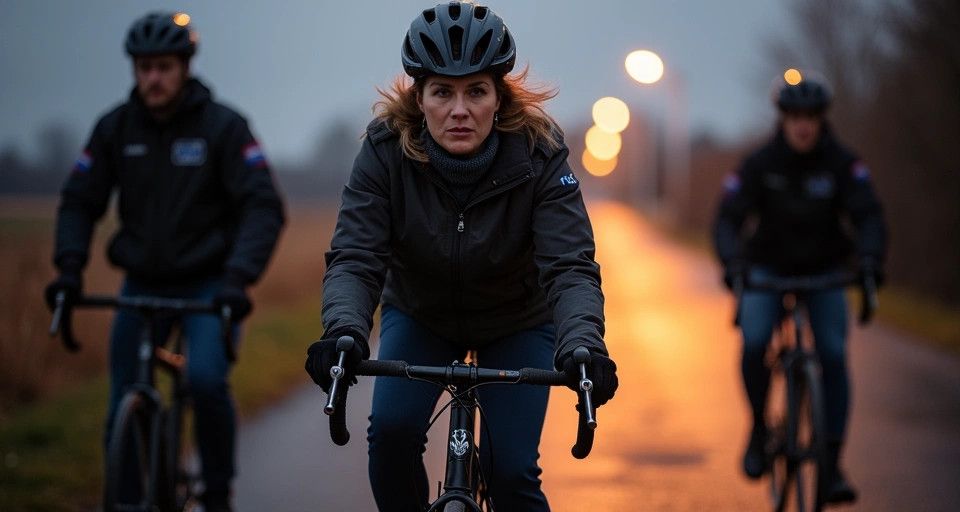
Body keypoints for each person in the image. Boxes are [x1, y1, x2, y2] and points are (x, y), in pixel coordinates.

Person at [303, 2, 618, 510]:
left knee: (509, 469)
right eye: (442, 92)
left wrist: (584, 343)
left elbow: (570, 265)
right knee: (390, 437)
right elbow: (356, 256)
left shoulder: (539, 153)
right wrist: (343, 330)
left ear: (499, 97)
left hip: (517, 320)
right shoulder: (384, 151)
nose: (459, 109)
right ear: (419, 98)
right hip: (421, 314)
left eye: (476, 91)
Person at [44, 12, 285, 511]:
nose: (153, 78)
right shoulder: (115, 128)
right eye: (144, 68)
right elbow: (79, 201)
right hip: (141, 284)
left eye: (164, 67)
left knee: (205, 381)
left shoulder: (224, 126)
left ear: (185, 67)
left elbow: (263, 205)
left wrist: (238, 278)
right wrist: (69, 268)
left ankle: (216, 491)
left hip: (209, 285)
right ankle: (128, 499)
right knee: (122, 397)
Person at [712, 74, 887, 504]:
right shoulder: (760, 163)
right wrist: (733, 262)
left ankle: (832, 464)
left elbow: (869, 215)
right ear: (783, 119)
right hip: (767, 270)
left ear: (822, 119)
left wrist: (868, 260)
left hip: (826, 272)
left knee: (832, 353)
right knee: (755, 339)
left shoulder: (842, 163)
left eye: (810, 117)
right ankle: (758, 428)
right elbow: (727, 218)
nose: (803, 125)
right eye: (794, 117)